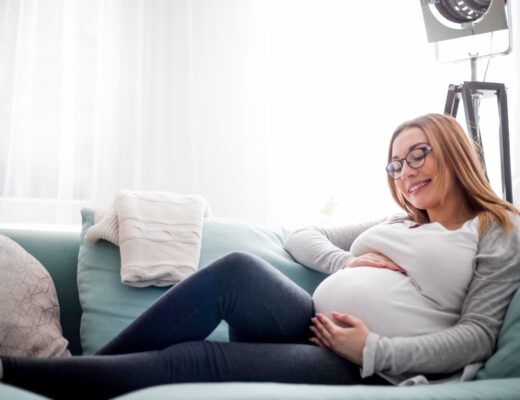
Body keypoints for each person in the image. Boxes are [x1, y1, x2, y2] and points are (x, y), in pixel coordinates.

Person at [1, 113, 519, 399]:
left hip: (368, 366)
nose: (405, 170)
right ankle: (88, 373)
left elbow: (476, 335)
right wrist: (346, 265)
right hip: (316, 327)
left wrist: (374, 350)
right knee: (237, 272)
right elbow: (303, 235)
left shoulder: (497, 228)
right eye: (395, 162)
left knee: (194, 360)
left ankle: (20, 373)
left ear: (454, 150)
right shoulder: (396, 223)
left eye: (418, 154)